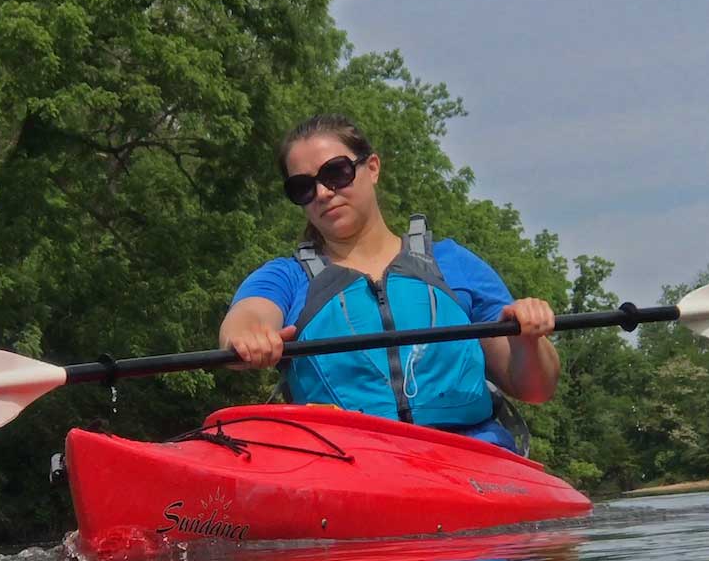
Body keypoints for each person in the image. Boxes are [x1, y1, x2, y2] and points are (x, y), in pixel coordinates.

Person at [219, 114, 559, 452]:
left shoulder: (454, 264)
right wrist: (248, 337)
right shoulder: (286, 277)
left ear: (373, 168)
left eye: (336, 172)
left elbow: (535, 389)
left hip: (468, 459)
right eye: (303, 187)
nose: (323, 193)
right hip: (347, 463)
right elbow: (245, 319)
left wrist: (529, 339)